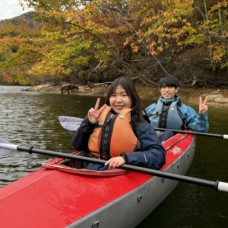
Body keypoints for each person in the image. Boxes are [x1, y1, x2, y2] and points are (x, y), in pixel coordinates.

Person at [72, 76, 166, 170]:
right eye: (114, 95)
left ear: (132, 98)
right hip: (91, 167)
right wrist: (89, 123)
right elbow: (77, 145)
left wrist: (125, 158)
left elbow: (158, 155)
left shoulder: (138, 122)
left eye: (124, 95)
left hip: (119, 171)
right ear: (109, 98)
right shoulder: (98, 117)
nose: (118, 100)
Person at [146, 75, 209, 142]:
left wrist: (202, 115)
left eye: (170, 87)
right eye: (164, 87)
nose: (167, 90)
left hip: (173, 139)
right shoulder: (151, 108)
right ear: (160, 90)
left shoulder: (185, 110)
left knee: (168, 133)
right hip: (153, 137)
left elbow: (200, 130)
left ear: (176, 89)